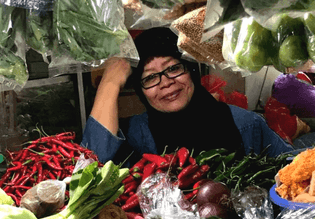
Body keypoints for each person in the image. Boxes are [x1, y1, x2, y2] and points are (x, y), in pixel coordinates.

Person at [81, 27, 293, 166]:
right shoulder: (136, 134)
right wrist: (110, 82)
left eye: (173, 68)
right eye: (150, 78)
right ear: (140, 90)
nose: (165, 82)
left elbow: (295, 170)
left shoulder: (246, 125)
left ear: (191, 70)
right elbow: (92, 165)